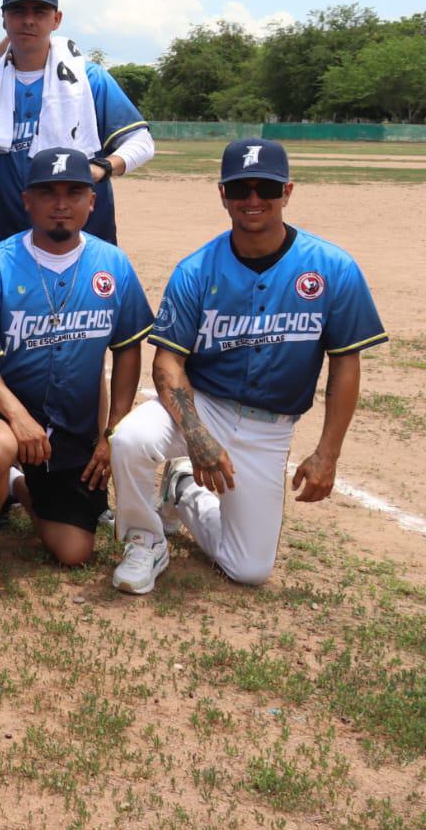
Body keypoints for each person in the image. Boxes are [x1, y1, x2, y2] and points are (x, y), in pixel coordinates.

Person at [110, 139, 386, 594]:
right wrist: (197, 435)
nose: (253, 199)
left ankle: (183, 490)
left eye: (266, 188)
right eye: (240, 188)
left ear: (287, 192)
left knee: (249, 570)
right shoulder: (196, 270)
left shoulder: (332, 268)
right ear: (223, 194)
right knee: (131, 439)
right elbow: (168, 362)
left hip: (268, 427)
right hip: (204, 404)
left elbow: (345, 364)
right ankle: (145, 540)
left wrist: (328, 453)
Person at [0, 148, 153, 601]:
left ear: (92, 202)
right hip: (4, 411)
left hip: (72, 425)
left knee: (74, 551)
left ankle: (18, 486)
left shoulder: (112, 264)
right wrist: (17, 417)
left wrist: (112, 432)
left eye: (74, 193)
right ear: (27, 200)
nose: (61, 204)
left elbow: (127, 349)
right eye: (48, 192)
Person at [0, 0, 154, 246]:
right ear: (4, 18)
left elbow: (142, 142)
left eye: (40, 11)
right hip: (9, 238)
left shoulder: (88, 78)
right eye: (18, 11)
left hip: (87, 236)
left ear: (56, 19)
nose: (29, 20)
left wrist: (102, 168)